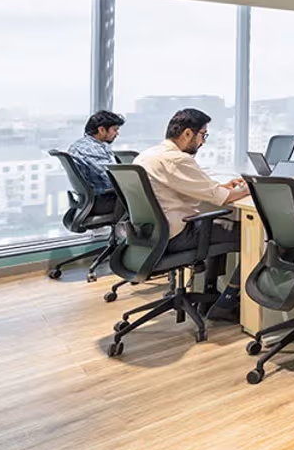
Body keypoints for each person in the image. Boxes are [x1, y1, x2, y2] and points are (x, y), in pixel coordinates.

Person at [135, 108, 249, 320]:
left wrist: (222, 187)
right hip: (177, 236)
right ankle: (226, 303)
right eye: (203, 135)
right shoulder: (177, 159)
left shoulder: (147, 156)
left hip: (151, 235)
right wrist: (250, 188)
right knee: (251, 236)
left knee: (216, 225)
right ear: (188, 133)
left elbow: (186, 187)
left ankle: (209, 293)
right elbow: (222, 198)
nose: (203, 142)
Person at [68, 110, 125, 216]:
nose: (117, 133)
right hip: (101, 202)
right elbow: (113, 179)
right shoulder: (92, 149)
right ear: (101, 129)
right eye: (115, 129)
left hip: (86, 201)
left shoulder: (80, 145)